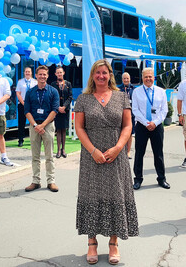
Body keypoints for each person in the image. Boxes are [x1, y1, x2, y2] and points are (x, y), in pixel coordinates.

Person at [74, 59, 138, 265]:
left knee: (114, 195)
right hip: (91, 157)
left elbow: (127, 126)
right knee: (91, 195)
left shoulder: (121, 97)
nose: (101, 76)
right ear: (92, 76)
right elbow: (79, 128)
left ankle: (113, 242)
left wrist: (119, 147)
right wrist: (93, 150)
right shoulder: (83, 99)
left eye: (105, 73)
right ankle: (91, 242)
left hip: (115, 154)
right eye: (97, 73)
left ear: (110, 75)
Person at [131, 67, 170, 190]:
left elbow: (164, 110)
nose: (148, 79)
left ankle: (161, 179)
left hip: (157, 126)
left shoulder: (160, 92)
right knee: (139, 153)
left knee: (158, 153)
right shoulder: (137, 92)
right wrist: (146, 122)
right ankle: (138, 179)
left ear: (154, 77)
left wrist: (155, 122)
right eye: (146, 76)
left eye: (150, 76)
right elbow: (135, 110)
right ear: (142, 78)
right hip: (142, 126)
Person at [24, 65, 60, 192]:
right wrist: (35, 125)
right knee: (35, 156)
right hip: (34, 126)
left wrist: (43, 125)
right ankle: (36, 181)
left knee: (49, 155)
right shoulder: (30, 92)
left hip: (48, 126)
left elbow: (54, 110)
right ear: (36, 75)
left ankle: (51, 181)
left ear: (48, 76)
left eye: (44, 74)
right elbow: (27, 111)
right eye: (40, 74)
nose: (42, 76)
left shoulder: (53, 91)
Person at [51, 66, 73, 158]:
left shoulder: (68, 83)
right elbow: (51, 97)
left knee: (64, 130)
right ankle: (58, 150)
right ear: (55, 74)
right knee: (58, 130)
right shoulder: (53, 84)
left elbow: (70, 97)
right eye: (58, 72)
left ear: (63, 73)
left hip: (65, 110)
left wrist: (64, 106)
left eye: (61, 72)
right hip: (57, 110)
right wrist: (58, 107)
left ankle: (63, 149)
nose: (59, 74)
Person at [15, 66, 37, 147]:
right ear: (24, 73)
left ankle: (34, 140)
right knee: (21, 123)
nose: (27, 73)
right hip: (22, 104)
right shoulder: (20, 82)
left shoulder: (35, 82)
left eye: (29, 71)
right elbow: (18, 93)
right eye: (26, 71)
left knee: (34, 122)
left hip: (33, 104)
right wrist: (23, 103)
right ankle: (20, 140)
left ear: (31, 73)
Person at [118, 72, 136, 159]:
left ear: (130, 79)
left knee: (129, 134)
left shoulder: (134, 89)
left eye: (127, 78)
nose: (126, 80)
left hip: (131, 115)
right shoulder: (118, 89)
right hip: (120, 115)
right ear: (122, 80)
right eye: (124, 78)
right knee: (120, 133)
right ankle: (121, 151)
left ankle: (128, 151)